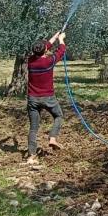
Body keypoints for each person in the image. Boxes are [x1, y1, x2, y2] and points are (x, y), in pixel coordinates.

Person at [25, 30, 66, 165]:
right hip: (48, 98)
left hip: (33, 99)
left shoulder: (30, 61)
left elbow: (45, 47)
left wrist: (55, 35)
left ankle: (31, 156)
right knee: (59, 116)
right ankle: (52, 138)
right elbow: (61, 51)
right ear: (44, 51)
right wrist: (61, 39)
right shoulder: (49, 62)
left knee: (33, 128)